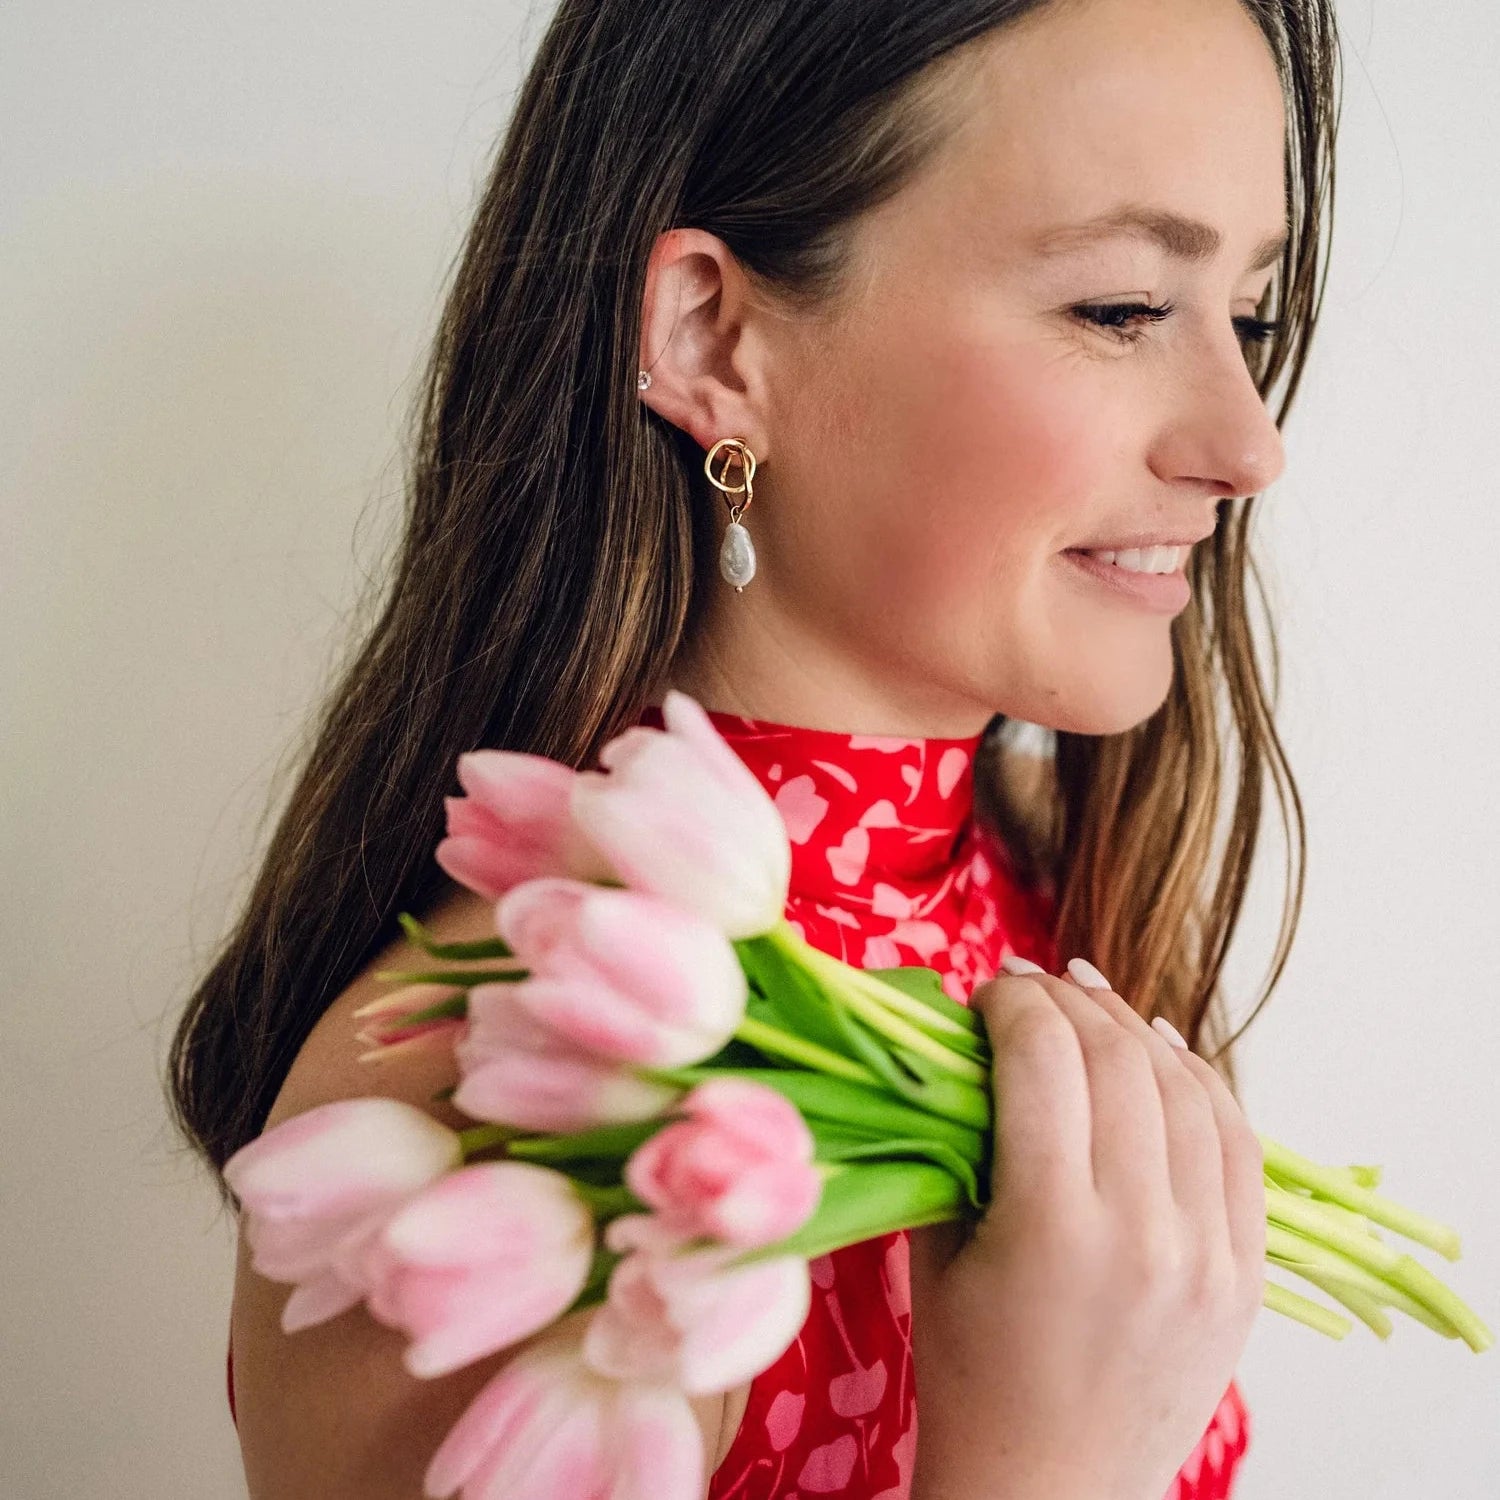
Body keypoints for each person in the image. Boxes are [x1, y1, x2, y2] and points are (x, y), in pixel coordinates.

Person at [167, 0, 1339, 1494]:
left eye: (1248, 315)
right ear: (714, 337)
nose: (1249, 447)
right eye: (1119, 309)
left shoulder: (1058, 906)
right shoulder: (507, 1104)